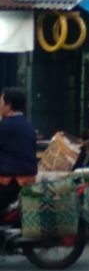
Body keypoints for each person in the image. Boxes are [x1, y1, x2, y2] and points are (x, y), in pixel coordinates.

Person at [0, 88, 38, 216]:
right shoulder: (28, 126)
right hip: (27, 183)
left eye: (1, 103)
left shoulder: (4, 126)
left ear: (9, 105)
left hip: (9, 185)